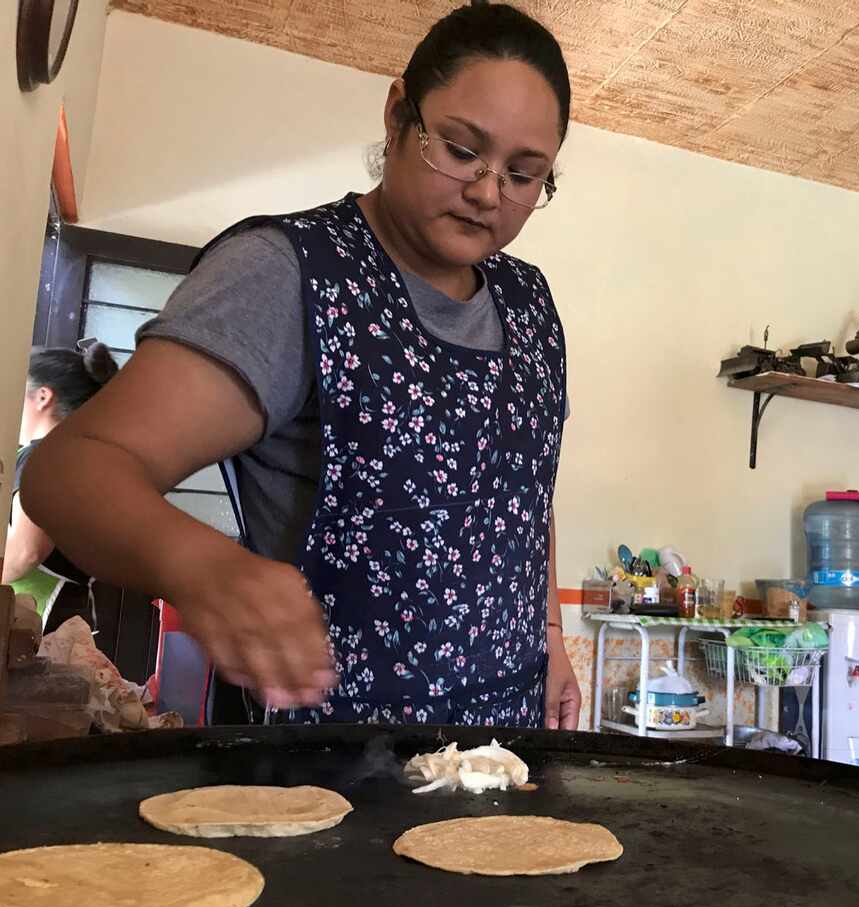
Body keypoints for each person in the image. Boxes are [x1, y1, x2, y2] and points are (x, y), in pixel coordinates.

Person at [23, 1, 580, 729]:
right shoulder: (290, 275)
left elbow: (521, 493)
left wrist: (548, 636)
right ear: (397, 115)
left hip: (506, 738)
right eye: (460, 148)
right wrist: (199, 565)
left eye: (522, 174)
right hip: (336, 760)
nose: (486, 191)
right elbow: (68, 473)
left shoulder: (529, 302)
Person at [4, 343, 118, 623]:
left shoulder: (42, 456)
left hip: (38, 618)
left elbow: (26, 551)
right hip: (61, 614)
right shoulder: (75, 457)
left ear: (43, 396)